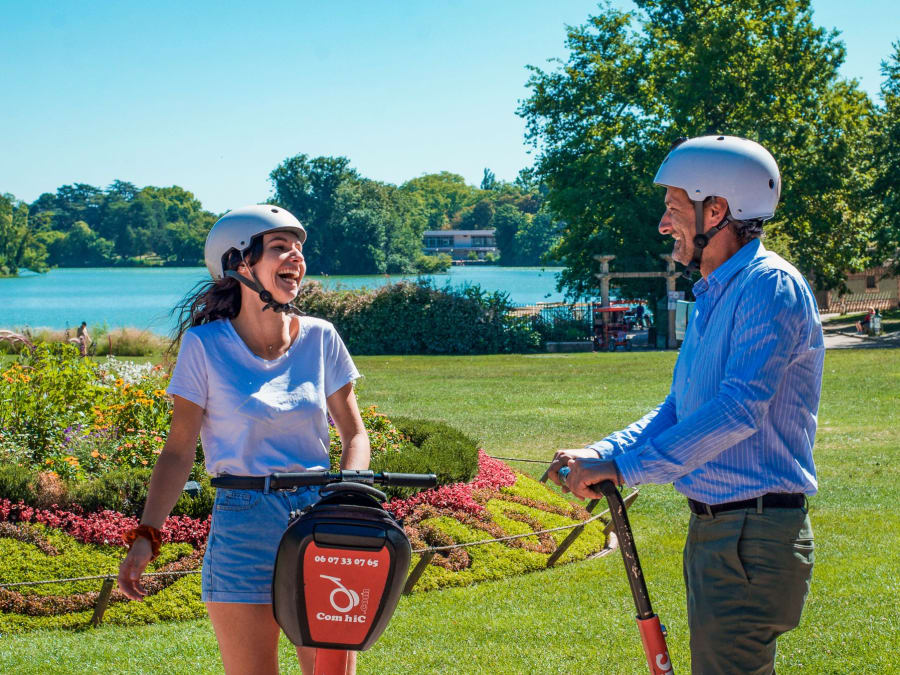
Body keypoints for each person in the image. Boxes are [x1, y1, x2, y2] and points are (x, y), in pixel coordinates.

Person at [549, 136, 824, 674]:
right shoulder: (716, 294)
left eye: (674, 208)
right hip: (721, 534)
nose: (662, 224)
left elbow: (740, 409)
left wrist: (625, 468)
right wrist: (603, 452)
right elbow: (680, 407)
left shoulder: (769, 287)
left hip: (751, 538)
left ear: (717, 210)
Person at [117, 205, 370, 675]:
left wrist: (349, 498)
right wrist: (147, 533)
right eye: (279, 247)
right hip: (242, 523)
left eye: (298, 248)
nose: (295, 256)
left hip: (321, 519)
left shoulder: (322, 338)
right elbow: (178, 451)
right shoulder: (205, 346)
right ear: (239, 264)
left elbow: (354, 431)